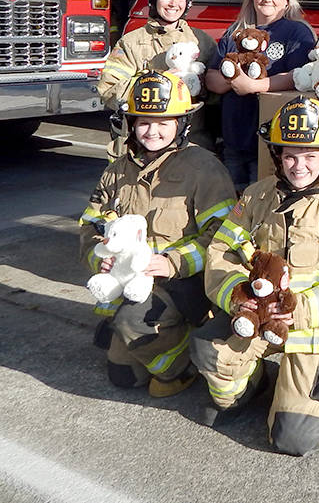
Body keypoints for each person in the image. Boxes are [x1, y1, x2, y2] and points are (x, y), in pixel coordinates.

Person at [191, 96, 319, 456]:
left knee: (292, 439)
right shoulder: (255, 198)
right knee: (209, 353)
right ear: (278, 156)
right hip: (261, 319)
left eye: (311, 155)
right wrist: (238, 294)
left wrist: (301, 310)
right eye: (290, 155)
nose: (299, 166)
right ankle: (259, 382)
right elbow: (221, 251)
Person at [78, 70, 236, 397]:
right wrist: (99, 256)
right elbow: (90, 224)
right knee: (123, 376)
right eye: (144, 122)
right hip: (132, 283)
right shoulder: (117, 170)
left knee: (131, 325)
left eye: (164, 123)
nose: (153, 132)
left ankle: (181, 368)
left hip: (182, 282)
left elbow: (223, 237)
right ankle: (157, 339)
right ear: (131, 124)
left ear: (181, 124)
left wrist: (173, 263)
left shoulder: (204, 168)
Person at [205, 0, 316, 192]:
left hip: (272, 141)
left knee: (260, 201)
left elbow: (299, 77)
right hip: (234, 140)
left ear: (286, 1)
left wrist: (255, 86)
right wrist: (234, 80)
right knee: (232, 202)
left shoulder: (297, 33)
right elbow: (211, 78)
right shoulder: (235, 32)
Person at [97, 0, 217, 159]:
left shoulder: (202, 42)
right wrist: (156, 83)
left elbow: (218, 102)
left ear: (188, 2)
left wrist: (202, 86)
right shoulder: (132, 43)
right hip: (141, 147)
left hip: (192, 147)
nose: (173, 3)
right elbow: (108, 91)